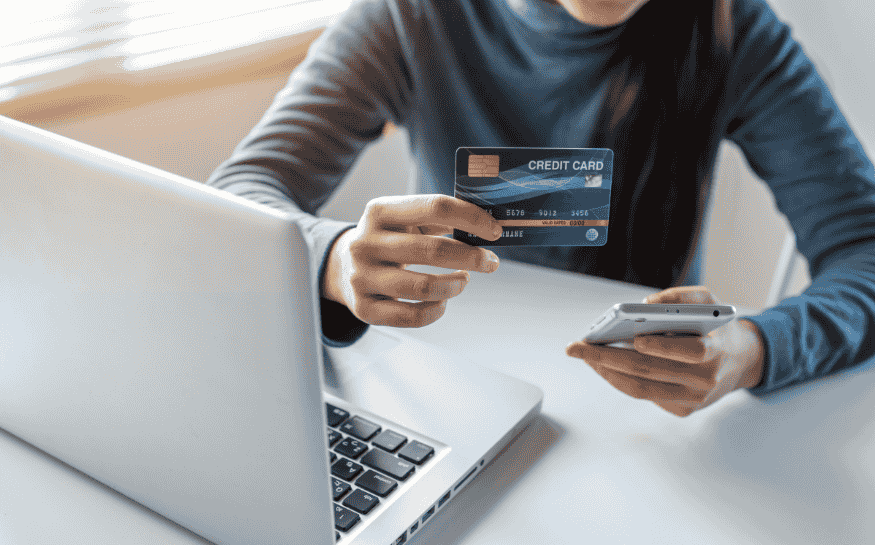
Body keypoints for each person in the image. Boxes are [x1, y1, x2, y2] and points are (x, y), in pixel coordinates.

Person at [207, 0, 875, 417]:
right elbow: (237, 196)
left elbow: (865, 249)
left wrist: (756, 347)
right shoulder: (408, 16)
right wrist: (334, 257)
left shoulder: (733, 29)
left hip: (641, 418)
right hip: (449, 393)